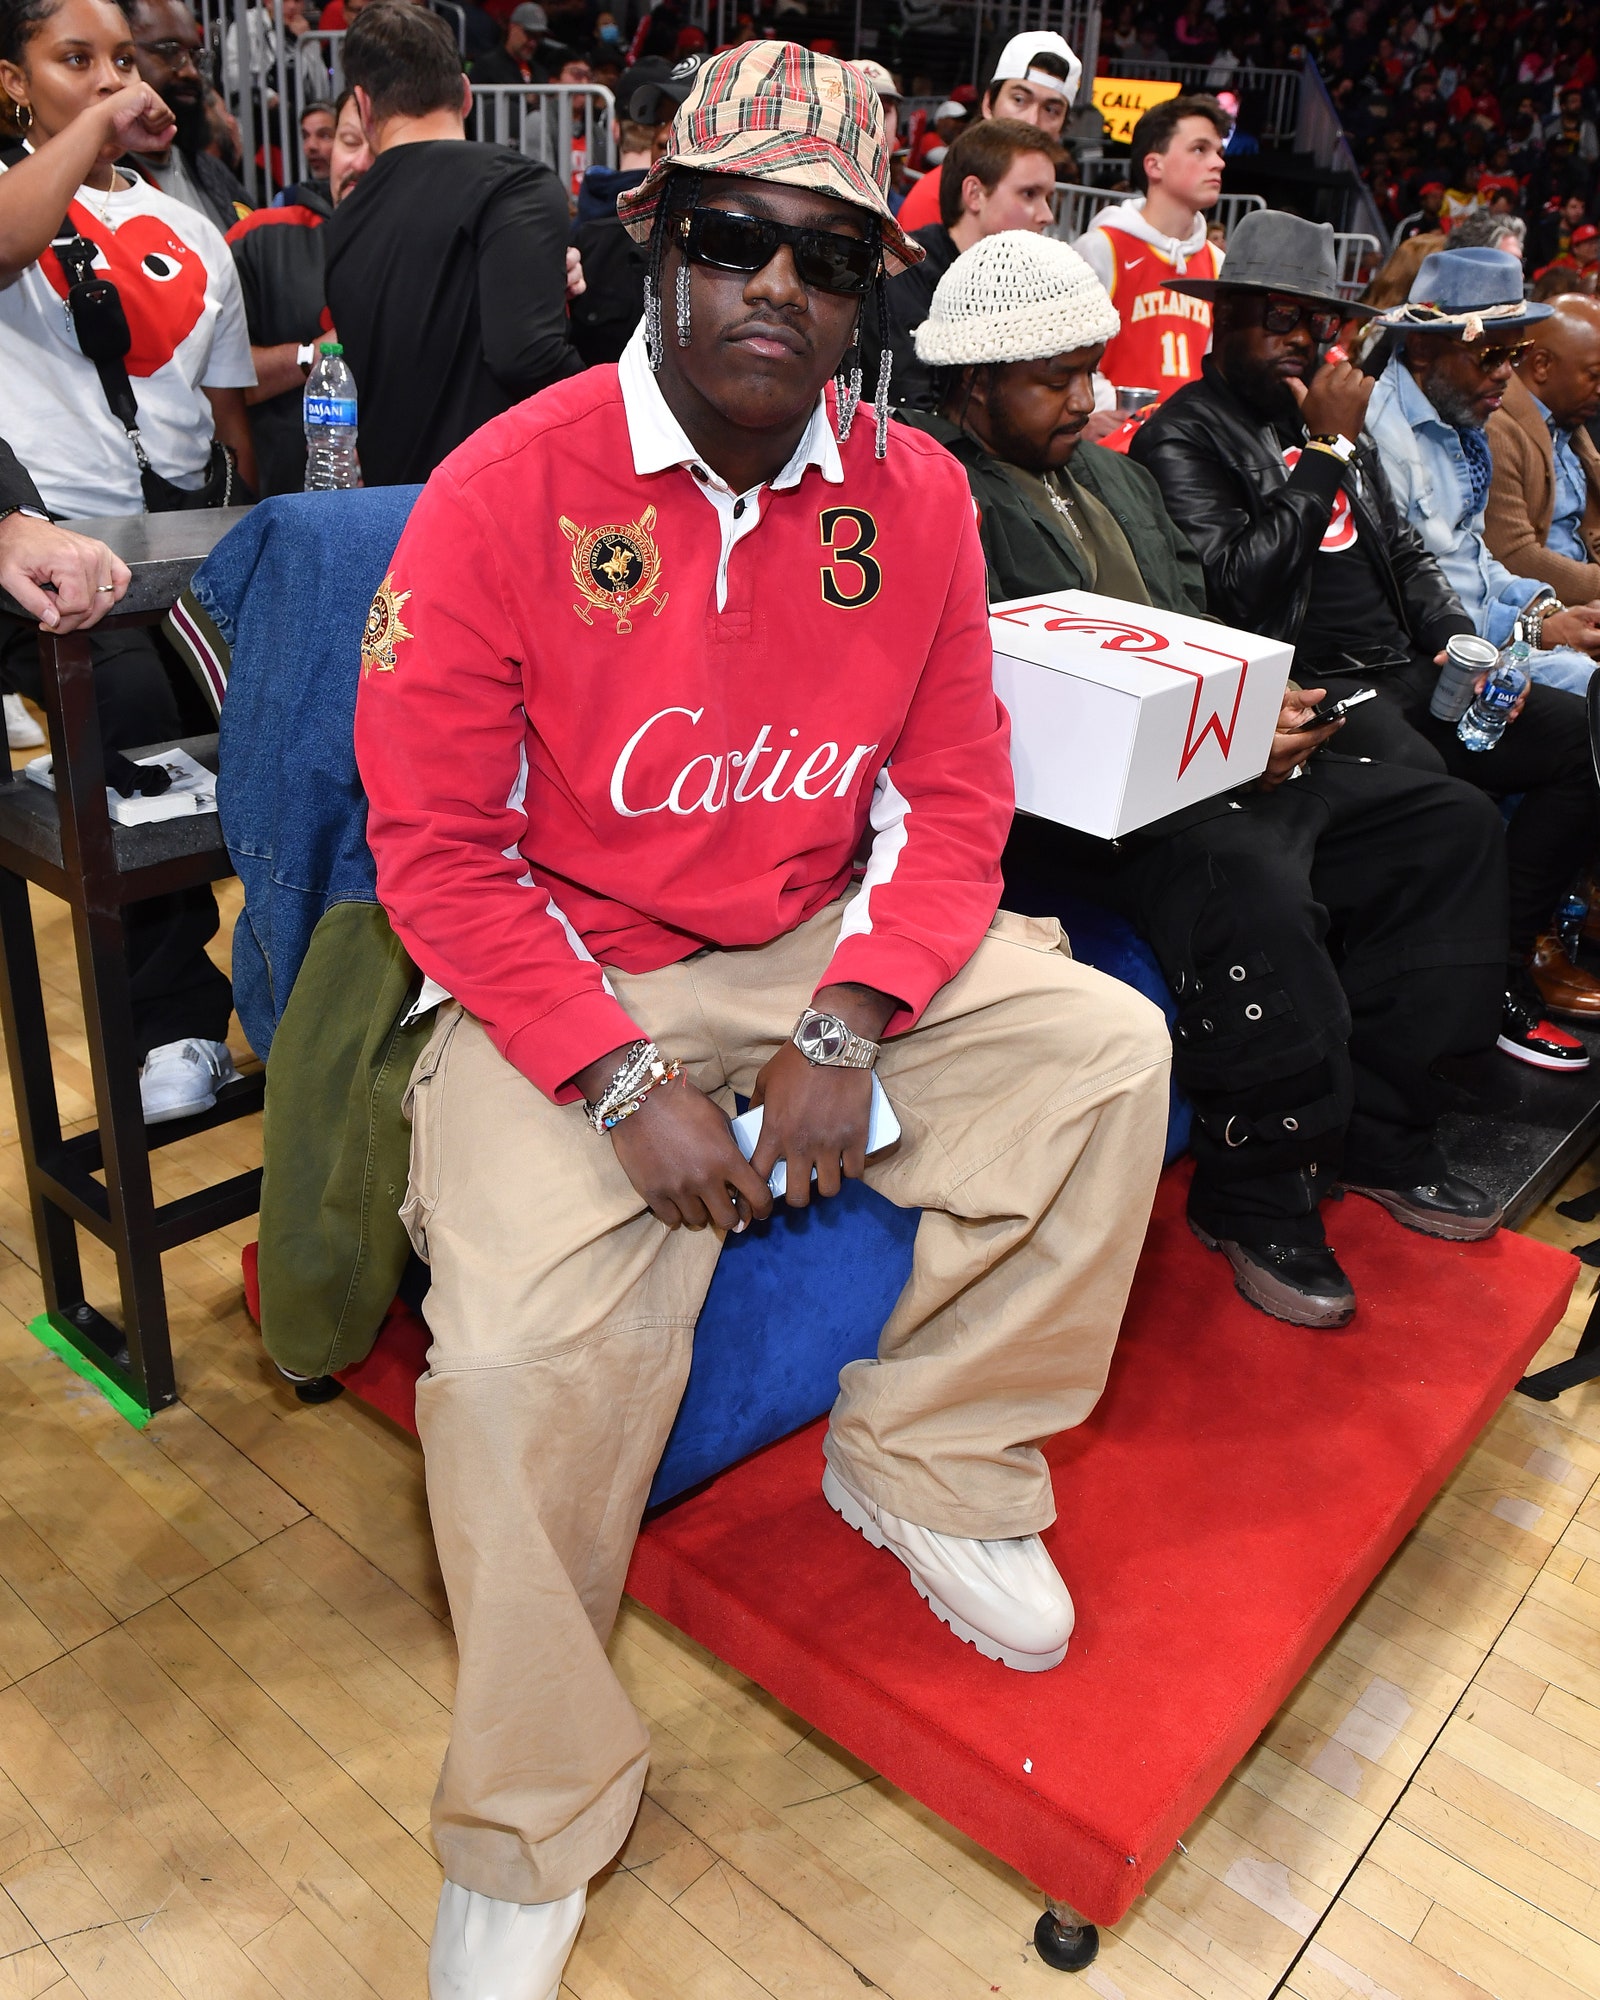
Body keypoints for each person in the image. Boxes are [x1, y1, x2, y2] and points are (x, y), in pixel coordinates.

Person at [355, 44, 1170, 2000]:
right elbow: (437, 852)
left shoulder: (911, 499)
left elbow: (954, 803)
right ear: (651, 237)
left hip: (811, 945)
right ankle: (535, 1813)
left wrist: (857, 1016)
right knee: (505, 1362)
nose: (777, 291)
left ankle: (933, 1457)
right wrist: (619, 1075)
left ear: (871, 292)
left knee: (1105, 1052)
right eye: (733, 237)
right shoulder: (501, 491)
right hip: (570, 969)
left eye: (829, 260)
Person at [901, 229, 1507, 1327]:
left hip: (1205, 764)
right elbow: (1001, 700)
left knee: (1444, 823)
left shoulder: (1112, 474)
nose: (1085, 397)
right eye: (1054, 378)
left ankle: (1382, 1130)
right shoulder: (934, 492)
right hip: (1072, 812)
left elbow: (1202, 620)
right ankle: (1257, 1191)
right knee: (1251, 877)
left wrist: (1247, 705)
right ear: (973, 382)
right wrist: (1222, 734)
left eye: (1088, 368)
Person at [1131, 212, 1600, 1066]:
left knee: (1577, 738)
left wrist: (1471, 648)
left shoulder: (1316, 411)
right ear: (1222, 316)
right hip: (1321, 684)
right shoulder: (1184, 432)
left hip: (1406, 664)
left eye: (1318, 322)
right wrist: (1327, 451)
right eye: (1278, 317)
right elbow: (1237, 584)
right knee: (1435, 793)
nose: (1303, 340)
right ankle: (1430, 1015)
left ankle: (1509, 957)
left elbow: (1411, 554)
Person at [0, 0, 251, 1119]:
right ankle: (178, 1023)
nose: (105, 79)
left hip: (184, 540)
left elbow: (225, 414)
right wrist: (96, 126)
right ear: (14, 83)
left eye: (119, 59)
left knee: (304, 720)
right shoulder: (18, 201)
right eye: (72, 60)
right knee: (135, 733)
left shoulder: (193, 227)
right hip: (46, 554)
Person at [323, 1, 579, 487]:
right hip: (493, 509)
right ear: (465, 94)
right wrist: (618, 405)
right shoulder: (517, 185)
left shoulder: (343, 220)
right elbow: (526, 356)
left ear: (363, 104)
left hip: (390, 515)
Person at [1366, 247, 1600, 697]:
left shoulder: (1463, 420)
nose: (1507, 376)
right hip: (1433, 659)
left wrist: (1543, 611)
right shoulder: (1379, 433)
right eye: (1491, 356)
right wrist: (1532, 631)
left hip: (1490, 637)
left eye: (1515, 355)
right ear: (1421, 346)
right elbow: (1413, 592)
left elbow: (1474, 557)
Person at [228, 89, 372, 493]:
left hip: (412, 513)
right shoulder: (260, 238)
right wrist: (317, 353)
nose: (361, 161)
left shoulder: (450, 245)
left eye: (378, 147)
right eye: (349, 141)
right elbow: (220, 379)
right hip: (287, 504)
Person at [880, 118, 1061, 410]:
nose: (1047, 215)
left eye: (1049, 198)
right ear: (975, 194)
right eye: (1029, 194)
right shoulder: (904, 272)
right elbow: (912, 411)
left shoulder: (1027, 283)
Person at [1073, 94, 1231, 406]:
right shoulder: (1101, 247)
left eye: (1218, 152)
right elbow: (1072, 363)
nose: (1218, 162)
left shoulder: (1218, 263)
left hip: (1189, 439)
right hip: (1112, 439)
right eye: (1200, 149)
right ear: (1154, 165)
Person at [567, 55, 690, 367]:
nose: (663, 136)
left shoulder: (760, 261)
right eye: (659, 122)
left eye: (683, 121)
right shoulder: (595, 246)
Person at [893, 29, 1078, 234]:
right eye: (1019, 99)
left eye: (1051, 110)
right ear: (988, 104)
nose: (1032, 121)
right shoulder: (938, 195)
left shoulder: (1048, 207)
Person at [1484, 294, 1600, 606]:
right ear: (1542, 365)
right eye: (1594, 374)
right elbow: (1516, 558)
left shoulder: (1567, 420)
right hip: (1548, 610)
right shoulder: (1496, 428)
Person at [120, 0, 251, 230]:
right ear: (121, 57)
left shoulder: (209, 169)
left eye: (194, 56)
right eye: (169, 52)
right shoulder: (97, 180)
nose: (190, 71)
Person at [298, 98, 333, 184]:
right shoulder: (289, 196)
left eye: (324, 136)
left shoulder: (366, 194)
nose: (311, 146)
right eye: (305, 136)